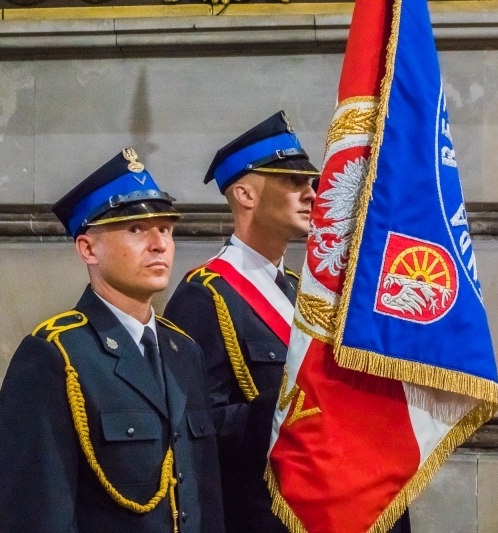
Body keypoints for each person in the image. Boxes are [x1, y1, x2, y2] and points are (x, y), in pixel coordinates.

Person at [163, 111, 411, 533]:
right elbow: (197, 429)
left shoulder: (303, 292)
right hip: (268, 514)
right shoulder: (205, 295)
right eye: (292, 182)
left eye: (310, 182)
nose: (311, 194)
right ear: (245, 194)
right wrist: (293, 403)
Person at [0, 148, 224, 533]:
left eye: (166, 229)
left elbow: (204, 498)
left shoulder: (184, 351)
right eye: (136, 229)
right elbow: (40, 515)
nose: (159, 244)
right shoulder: (56, 356)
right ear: (88, 248)